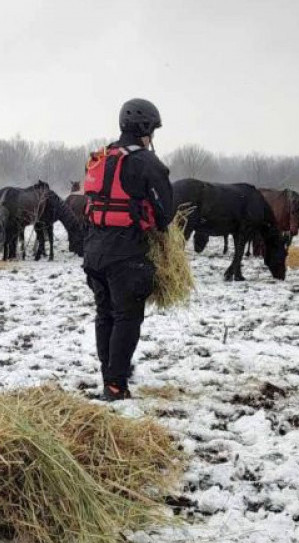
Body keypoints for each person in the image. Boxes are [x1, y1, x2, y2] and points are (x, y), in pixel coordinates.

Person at [81, 99, 174, 401]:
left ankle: (109, 374)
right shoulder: (147, 162)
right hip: (126, 255)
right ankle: (115, 385)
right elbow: (165, 214)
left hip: (94, 252)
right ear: (145, 129)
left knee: (104, 313)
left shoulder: (101, 157)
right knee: (127, 317)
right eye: (153, 131)